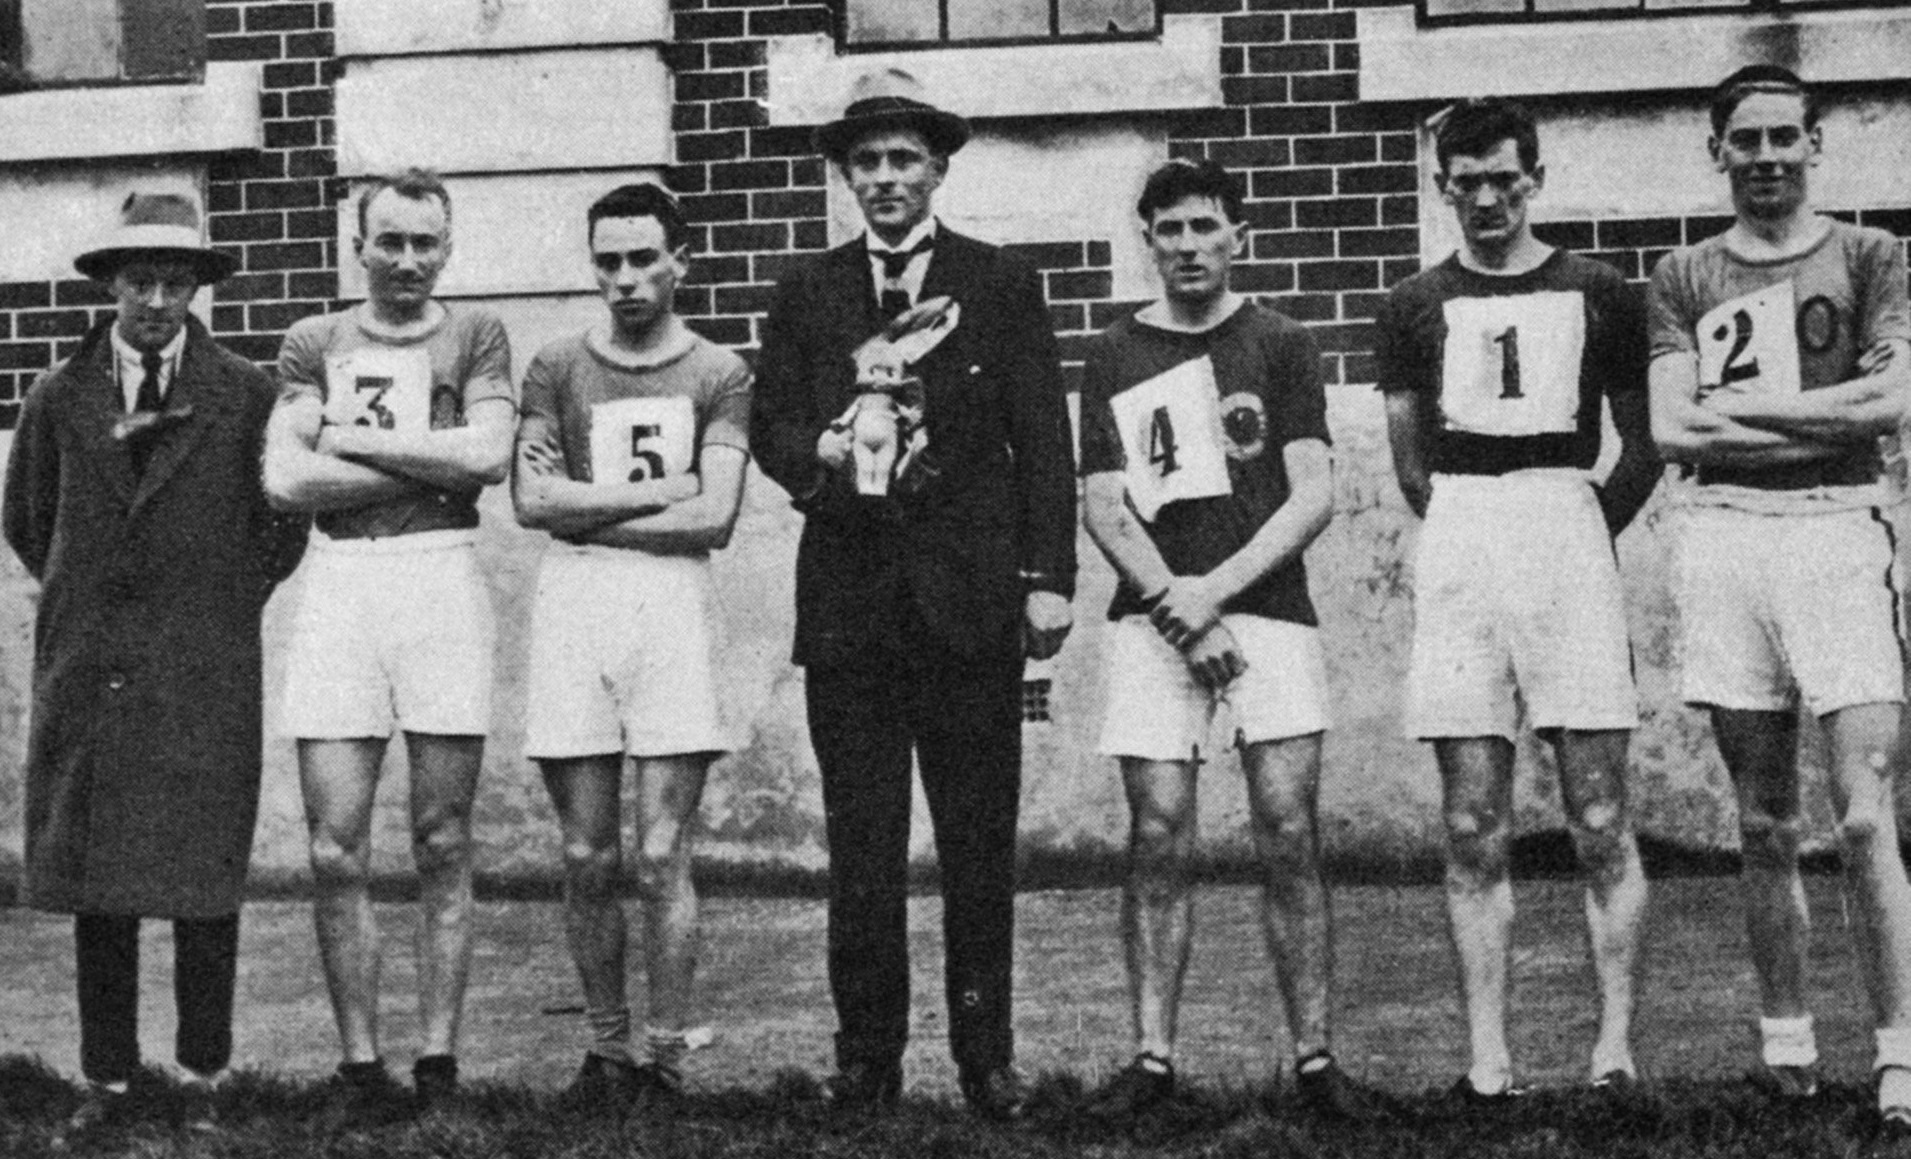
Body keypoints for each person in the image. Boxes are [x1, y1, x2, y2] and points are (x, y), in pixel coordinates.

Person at [748, 67, 1076, 1119]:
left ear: (938, 169)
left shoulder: (999, 284)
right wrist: (827, 450)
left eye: (904, 160)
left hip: (971, 605)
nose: (886, 178)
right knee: (862, 845)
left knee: (980, 843)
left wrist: (1049, 580)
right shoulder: (808, 291)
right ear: (844, 176)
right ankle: (867, 1058)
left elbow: (1044, 443)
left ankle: (988, 1057)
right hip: (850, 605)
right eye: (867, 162)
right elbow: (771, 429)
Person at [1076, 160, 1386, 1123]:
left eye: (1205, 227)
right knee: (1158, 829)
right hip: (1152, 620)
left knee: (1287, 827)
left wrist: (1214, 594)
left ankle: (1315, 1058)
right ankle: (1151, 1057)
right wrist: (1176, 603)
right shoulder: (1115, 349)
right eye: (1168, 230)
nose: (1188, 246)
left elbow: (1313, 492)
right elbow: (1102, 501)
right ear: (1147, 240)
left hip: (1263, 610)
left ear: (1237, 235)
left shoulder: (1281, 342)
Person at [2, 192, 308, 1135]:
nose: (158, 302)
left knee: (200, 875)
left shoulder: (244, 395)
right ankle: (112, 1079)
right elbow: (29, 521)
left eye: (177, 283)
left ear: (196, 292)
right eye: (141, 281)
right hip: (94, 668)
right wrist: (96, 596)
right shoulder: (61, 396)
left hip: (201, 666)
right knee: (104, 882)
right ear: (111, 286)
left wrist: (208, 603)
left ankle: (204, 1076)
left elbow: (279, 527)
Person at [1377, 98, 1660, 1102]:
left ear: (1533, 177)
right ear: (1442, 184)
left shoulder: (1600, 291)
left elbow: (1645, 440)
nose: (1489, 197)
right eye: (1468, 180)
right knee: (1470, 820)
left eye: (1506, 177)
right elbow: (1411, 465)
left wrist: (1580, 528)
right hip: (1462, 530)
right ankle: (1489, 1058)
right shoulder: (1411, 301)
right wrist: (1474, 525)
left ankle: (1614, 1049)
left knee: (1596, 810)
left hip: (1567, 522)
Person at [1646, 65, 1911, 1129]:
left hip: (1839, 531)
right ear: (1718, 152)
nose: (1764, 159)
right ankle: (1788, 1048)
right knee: (1762, 819)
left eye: (1782, 139)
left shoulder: (1873, 255)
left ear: (1815, 143)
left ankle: (1899, 1053)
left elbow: (1895, 399)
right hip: (1724, 541)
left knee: (1862, 814)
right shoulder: (1681, 273)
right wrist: (1829, 411)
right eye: (1743, 141)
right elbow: (1674, 430)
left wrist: (1755, 413)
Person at [261, 168, 515, 1110]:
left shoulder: (476, 334)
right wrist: (423, 462)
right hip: (342, 586)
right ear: (357, 245)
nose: (406, 260)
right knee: (336, 845)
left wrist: (350, 441)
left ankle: (438, 1056)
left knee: (443, 836)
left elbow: (487, 456)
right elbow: (287, 484)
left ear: (446, 247)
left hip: (442, 578)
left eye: (425, 242)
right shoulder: (313, 340)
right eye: (389, 241)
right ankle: (360, 1061)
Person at [512, 183, 751, 1104]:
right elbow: (532, 502)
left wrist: (586, 511)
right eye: (607, 261)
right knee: (585, 855)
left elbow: (718, 516)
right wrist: (661, 497)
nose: (624, 278)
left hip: (672, 610)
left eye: (642, 257)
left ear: (679, 259)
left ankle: (667, 1057)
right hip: (575, 607)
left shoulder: (719, 372)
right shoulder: (556, 367)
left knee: (659, 854)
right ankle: (605, 1051)